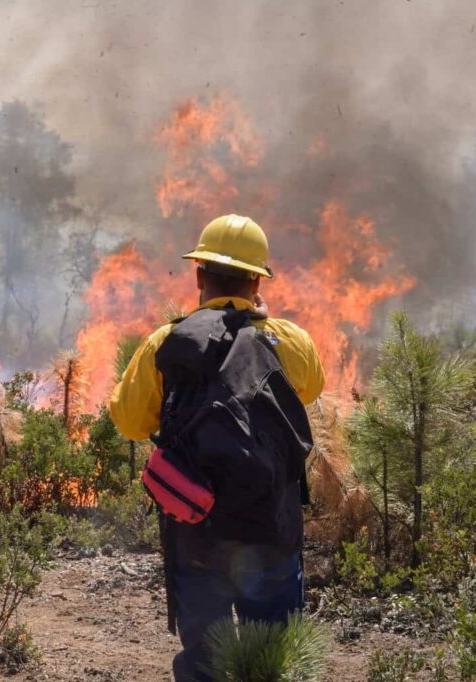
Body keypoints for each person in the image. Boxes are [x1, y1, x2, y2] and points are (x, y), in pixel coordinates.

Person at [109, 214, 325, 681]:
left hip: (197, 532)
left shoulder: (167, 342)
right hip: (273, 530)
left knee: (205, 665)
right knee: (273, 666)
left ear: (199, 274)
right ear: (256, 279)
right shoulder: (290, 341)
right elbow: (308, 391)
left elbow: (128, 421)